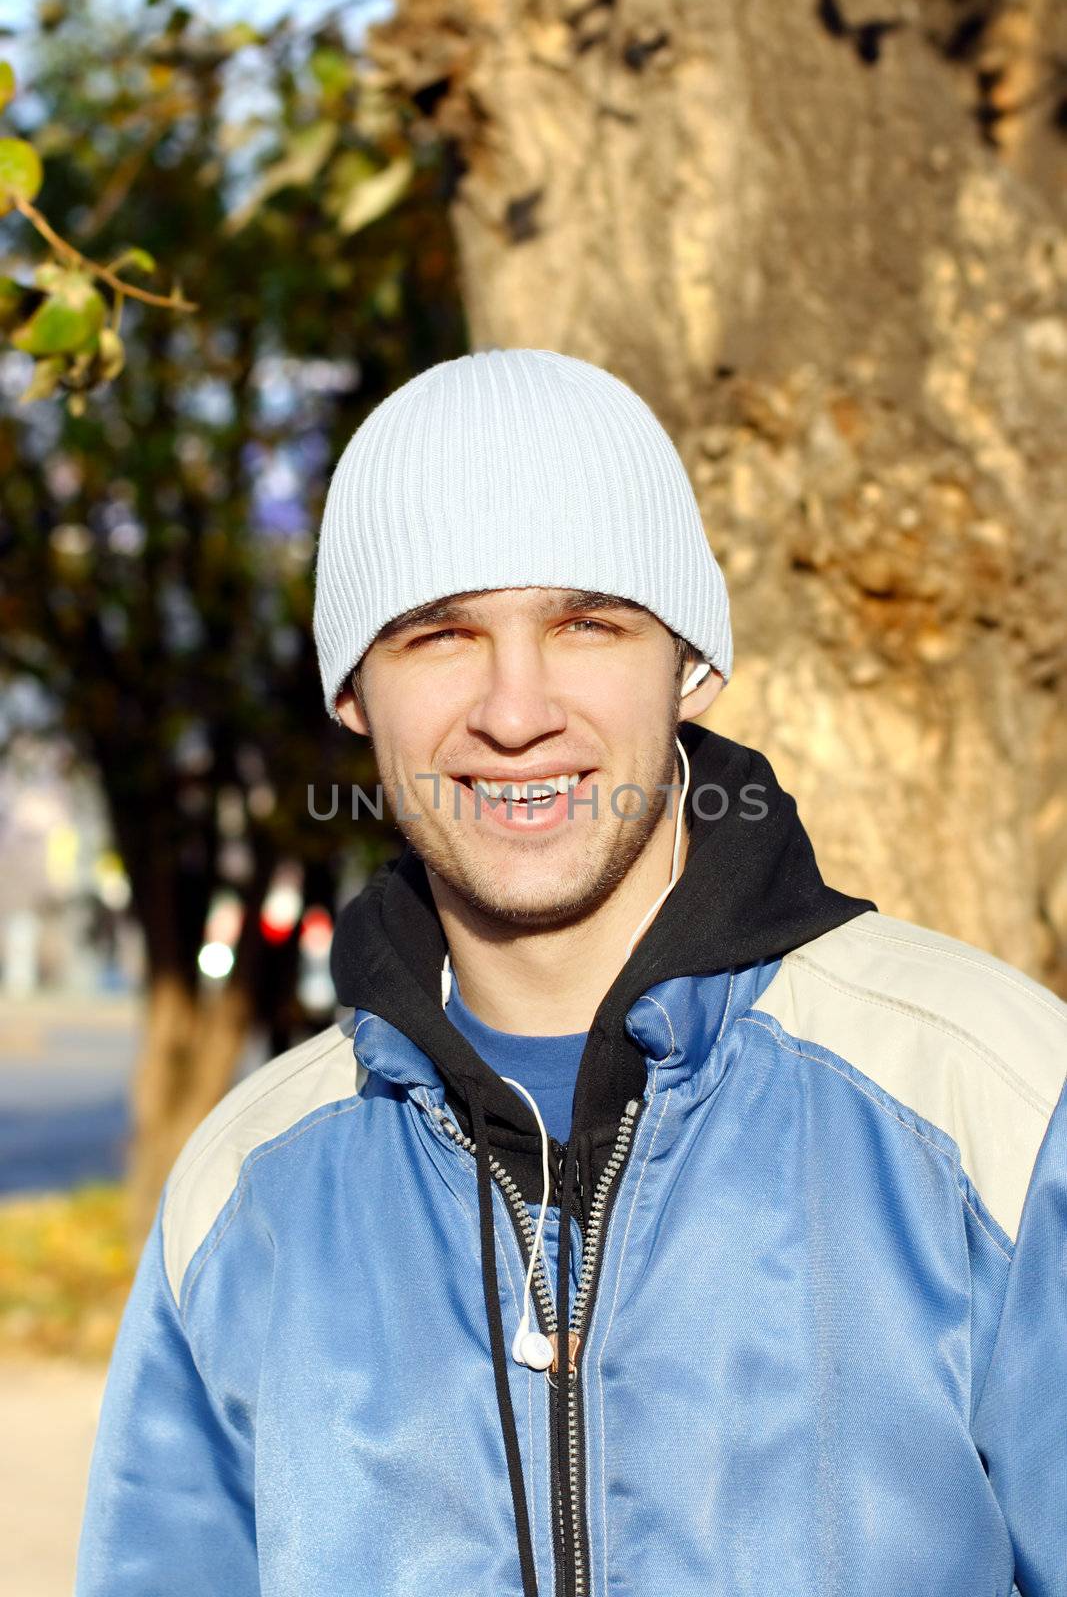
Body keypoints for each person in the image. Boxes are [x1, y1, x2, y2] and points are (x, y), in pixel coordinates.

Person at [76, 348, 1067, 1597]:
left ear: (689, 664)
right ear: (351, 697)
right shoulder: (249, 1192)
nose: (514, 707)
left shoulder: (993, 1105)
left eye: (584, 623)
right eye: (439, 635)